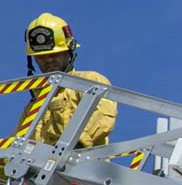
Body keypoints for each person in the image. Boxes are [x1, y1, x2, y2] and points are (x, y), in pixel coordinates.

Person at [18, 12, 117, 148]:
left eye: (54, 54)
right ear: (33, 59)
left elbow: (103, 115)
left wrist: (75, 141)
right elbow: (16, 145)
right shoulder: (34, 106)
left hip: (82, 165)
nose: (49, 60)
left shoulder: (89, 82)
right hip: (46, 167)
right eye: (42, 56)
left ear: (68, 52)